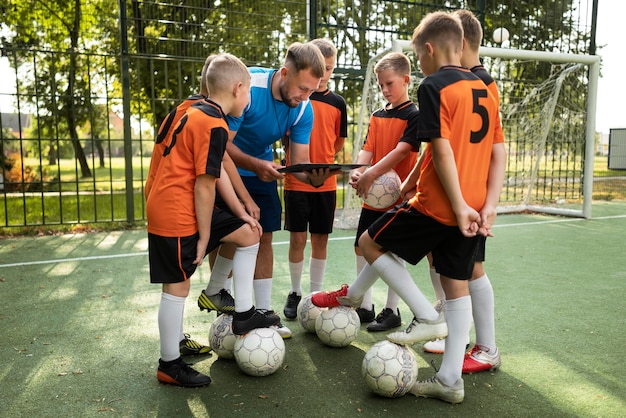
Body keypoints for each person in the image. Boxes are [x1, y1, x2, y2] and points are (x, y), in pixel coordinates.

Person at [312, 11, 506, 404]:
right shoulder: (486, 87)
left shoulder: (434, 85)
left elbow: (441, 148)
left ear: (430, 50)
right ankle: (450, 380)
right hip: (472, 206)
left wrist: (451, 203)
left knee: (369, 243)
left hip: (436, 204)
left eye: (419, 58)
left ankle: (425, 316)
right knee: (456, 286)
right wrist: (486, 206)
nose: (420, 66)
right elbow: (499, 150)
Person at [146, 53, 280, 388]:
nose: (249, 101)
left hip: (173, 201)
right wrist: (206, 237)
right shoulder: (213, 123)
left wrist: (243, 207)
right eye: (248, 93)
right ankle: (169, 364)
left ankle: (244, 313)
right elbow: (206, 185)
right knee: (177, 284)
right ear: (237, 89)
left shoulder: (193, 107)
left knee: (249, 233)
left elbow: (216, 164)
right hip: (176, 209)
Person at [226, 42, 331, 338]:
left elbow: (299, 163)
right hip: (227, 169)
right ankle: (227, 307)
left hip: (262, 173)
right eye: (302, 88)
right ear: (284, 73)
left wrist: (315, 178)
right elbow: (220, 144)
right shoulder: (248, 86)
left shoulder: (303, 108)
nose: (305, 97)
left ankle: (262, 313)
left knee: (264, 237)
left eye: (312, 90)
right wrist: (256, 165)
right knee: (229, 240)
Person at [422, 10, 504, 375]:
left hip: (467, 195)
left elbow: (493, 148)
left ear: (460, 44)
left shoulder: (478, 84)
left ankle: (486, 346)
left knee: (471, 269)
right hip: (466, 196)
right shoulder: (474, 81)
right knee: (449, 265)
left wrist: (487, 202)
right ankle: (458, 335)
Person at [349, 52, 420, 332]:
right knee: (360, 247)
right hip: (372, 196)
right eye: (381, 85)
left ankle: (392, 310)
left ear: (406, 80)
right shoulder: (378, 115)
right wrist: (359, 170)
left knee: (392, 252)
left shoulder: (414, 115)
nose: (385, 89)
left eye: (389, 83)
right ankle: (365, 306)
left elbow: (402, 150)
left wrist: (371, 173)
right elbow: (368, 148)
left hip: (398, 196)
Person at [282, 38, 347, 320]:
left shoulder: (338, 103)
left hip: (326, 184)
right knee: (298, 238)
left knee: (320, 238)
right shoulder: (296, 98)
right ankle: (296, 292)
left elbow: (339, 143)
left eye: (330, 69)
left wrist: (321, 166)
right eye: (321, 67)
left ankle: (314, 295)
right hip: (296, 182)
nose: (324, 75)